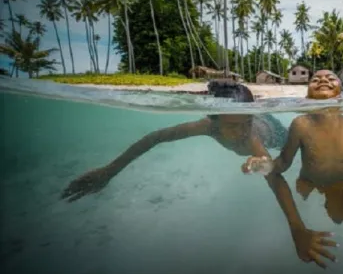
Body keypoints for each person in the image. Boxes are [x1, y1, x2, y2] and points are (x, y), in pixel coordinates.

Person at [61, 80, 288, 202]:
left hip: (273, 129)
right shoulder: (207, 126)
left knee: (302, 144)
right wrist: (109, 171)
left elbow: (271, 171)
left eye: (245, 123)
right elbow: (156, 137)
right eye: (232, 126)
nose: (241, 132)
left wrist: (262, 164)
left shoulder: (251, 138)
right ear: (215, 121)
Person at [242, 70, 343, 269]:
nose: (323, 80)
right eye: (315, 79)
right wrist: (264, 164)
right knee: (302, 196)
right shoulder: (301, 124)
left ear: (342, 95)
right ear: (307, 96)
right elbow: (283, 163)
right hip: (308, 179)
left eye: (331, 78)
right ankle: (311, 189)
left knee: (338, 219)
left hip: (337, 182)